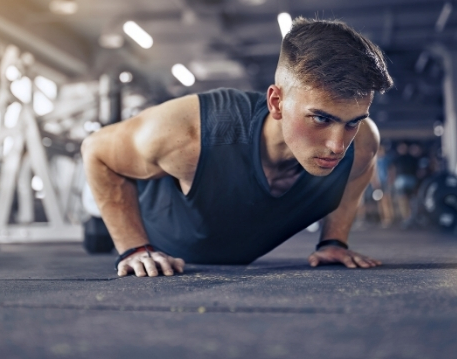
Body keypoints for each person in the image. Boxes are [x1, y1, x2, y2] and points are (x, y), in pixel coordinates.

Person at [82, 17, 394, 277]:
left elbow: (354, 179)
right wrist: (135, 247)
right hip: (154, 223)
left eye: (352, 121)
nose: (337, 145)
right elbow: (95, 149)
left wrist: (333, 241)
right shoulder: (190, 132)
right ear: (276, 102)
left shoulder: (363, 144)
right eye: (320, 118)